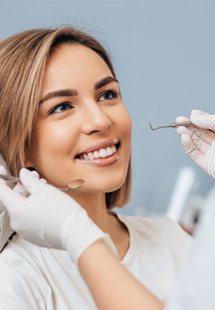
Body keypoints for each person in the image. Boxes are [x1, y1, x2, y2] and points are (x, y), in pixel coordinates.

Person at [0, 26, 209, 310]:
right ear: (20, 146)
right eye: (62, 107)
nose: (100, 120)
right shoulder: (14, 278)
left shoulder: (171, 237)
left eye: (107, 95)